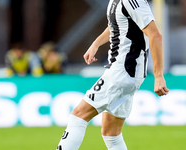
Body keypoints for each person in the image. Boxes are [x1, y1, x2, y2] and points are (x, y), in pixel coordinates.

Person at [56, 0, 169, 149]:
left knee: (78, 116)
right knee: (111, 133)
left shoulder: (131, 1)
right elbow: (118, 24)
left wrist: (158, 75)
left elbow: (155, 35)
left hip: (121, 72)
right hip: (127, 74)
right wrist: (96, 43)